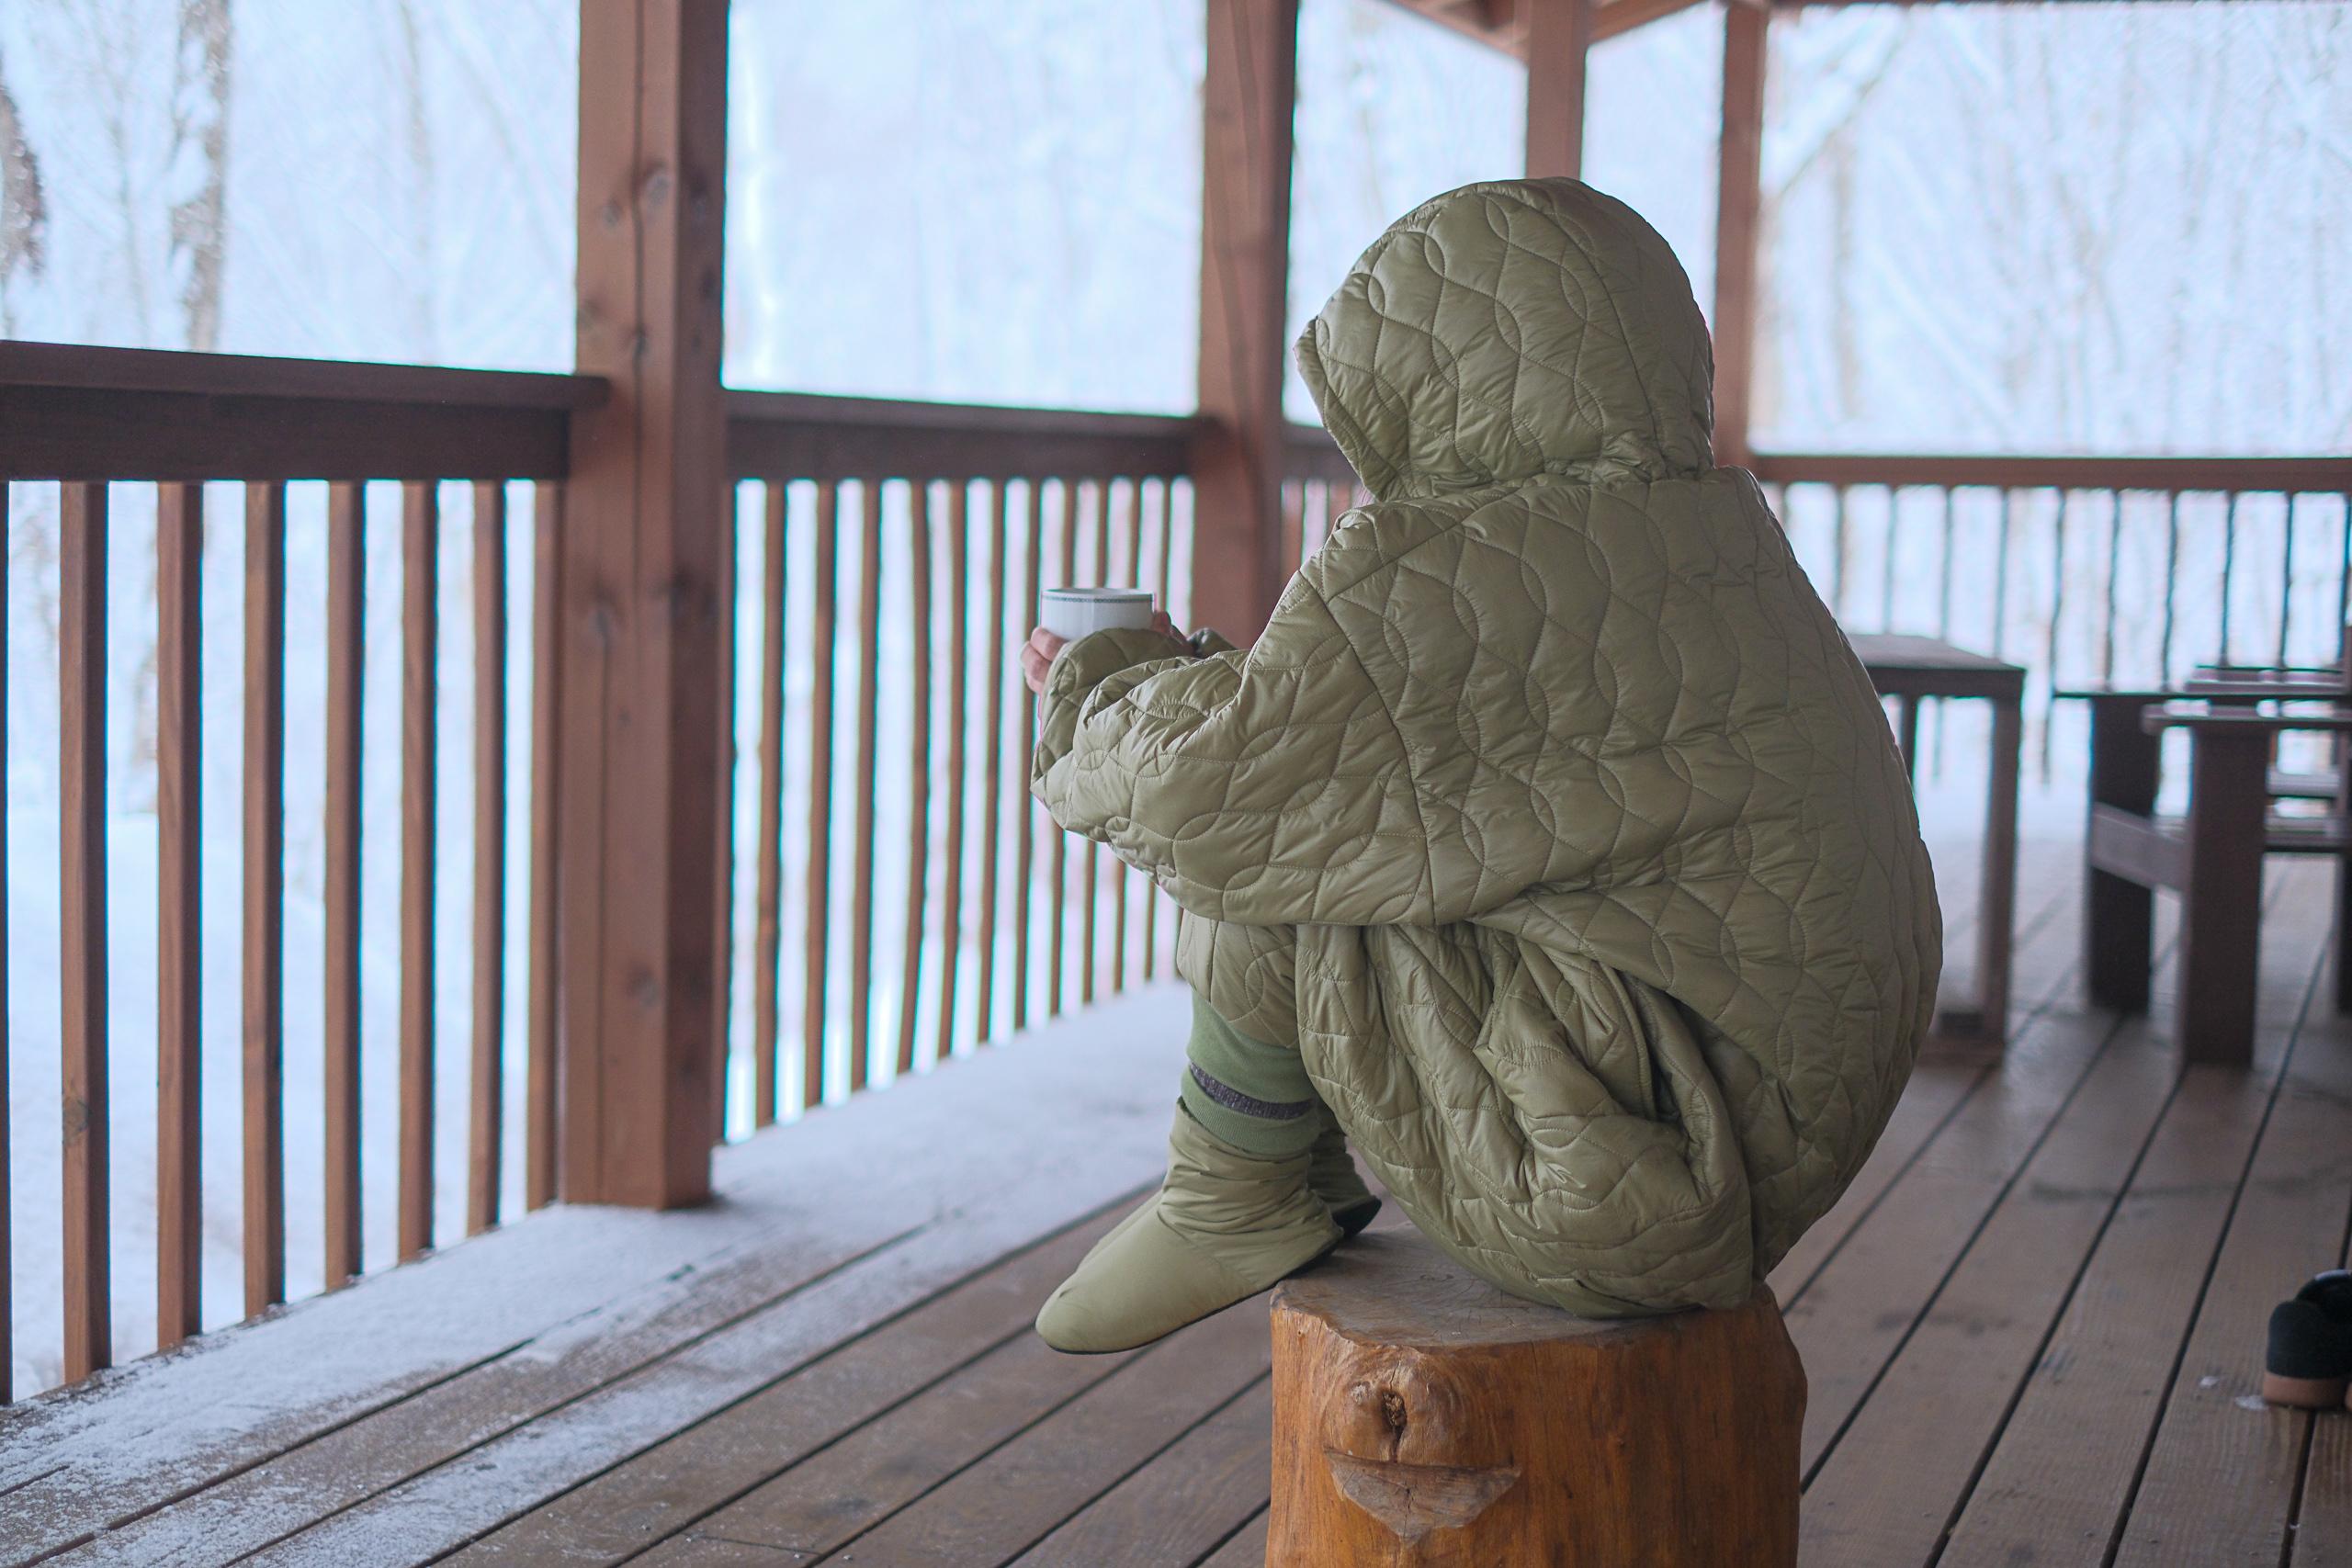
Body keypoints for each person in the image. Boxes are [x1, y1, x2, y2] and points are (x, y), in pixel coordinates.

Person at [1018, 177, 1941, 1355]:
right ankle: (1278, 1170)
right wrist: (1197, 683)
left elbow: (1204, 792)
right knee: (1325, 792)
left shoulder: (1479, 554)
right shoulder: (1704, 534)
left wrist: (1095, 682)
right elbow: (1372, 734)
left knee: (1292, 838)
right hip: (1750, 1128)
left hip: (1627, 1173)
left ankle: (1232, 1190)